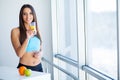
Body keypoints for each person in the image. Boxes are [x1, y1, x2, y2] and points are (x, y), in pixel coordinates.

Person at [11, 4, 43, 72]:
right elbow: (19, 54)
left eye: (30, 13)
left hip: (39, 68)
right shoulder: (15, 31)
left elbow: (40, 48)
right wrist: (27, 38)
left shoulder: (37, 29)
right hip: (24, 69)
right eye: (25, 14)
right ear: (21, 16)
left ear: (33, 15)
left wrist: (40, 53)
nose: (28, 16)